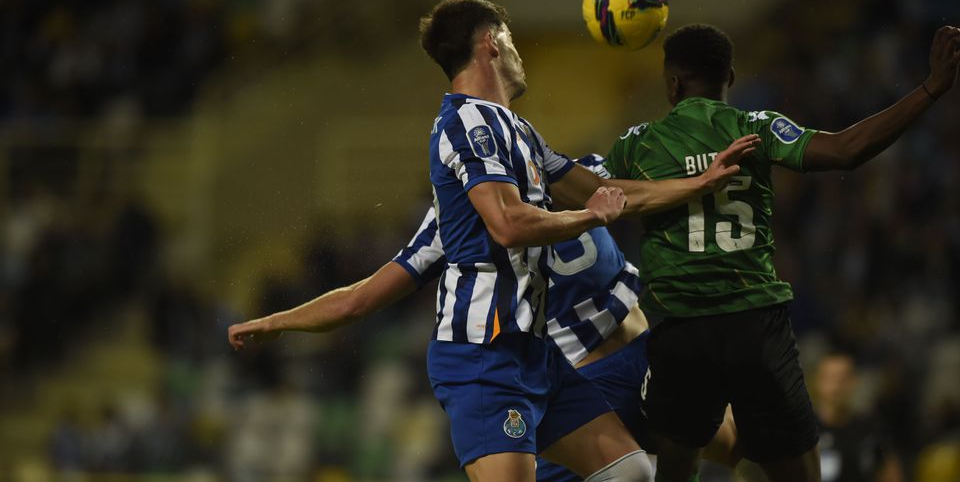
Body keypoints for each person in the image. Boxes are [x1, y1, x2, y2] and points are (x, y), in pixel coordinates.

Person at [231, 0, 757, 481]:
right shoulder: (464, 124)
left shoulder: (520, 138)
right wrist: (590, 218)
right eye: (512, 41)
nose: (519, 55)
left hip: (535, 356)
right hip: (481, 359)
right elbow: (510, 224)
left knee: (630, 473)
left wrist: (698, 182)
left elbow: (604, 191)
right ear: (492, 42)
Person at [228, 158, 743, 482]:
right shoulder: (450, 228)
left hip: (639, 349)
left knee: (731, 447)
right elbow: (360, 298)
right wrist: (279, 320)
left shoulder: (562, 170)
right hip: (583, 380)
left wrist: (699, 179)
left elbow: (636, 195)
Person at [603, 23, 960, 482]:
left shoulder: (637, 144)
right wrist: (930, 89)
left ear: (672, 83)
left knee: (674, 469)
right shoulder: (759, 128)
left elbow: (592, 195)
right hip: (755, 326)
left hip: (681, 328)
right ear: (730, 78)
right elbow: (847, 150)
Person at [813, 353, 904, 482]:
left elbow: (891, 473)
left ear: (854, 382)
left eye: (843, 379)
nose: (838, 386)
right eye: (832, 378)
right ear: (818, 381)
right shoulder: (805, 432)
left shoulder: (870, 429)